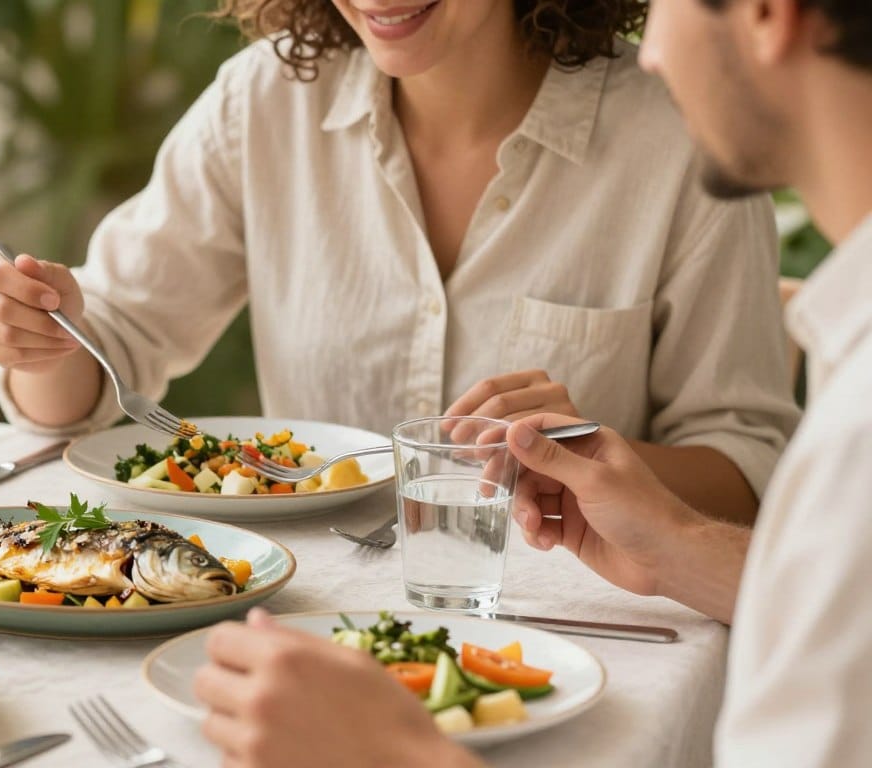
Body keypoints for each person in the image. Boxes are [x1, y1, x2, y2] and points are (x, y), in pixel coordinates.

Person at [194, 0, 872, 765]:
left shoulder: (855, 433)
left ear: (768, 13)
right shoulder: (851, 380)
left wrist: (399, 755)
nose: (647, 51)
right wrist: (678, 548)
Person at [0, 0, 802, 523]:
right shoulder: (264, 103)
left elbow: (749, 471)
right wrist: (45, 340)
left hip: (586, 642)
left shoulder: (680, 139)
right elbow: (98, 372)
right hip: (311, 621)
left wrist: (585, 457)